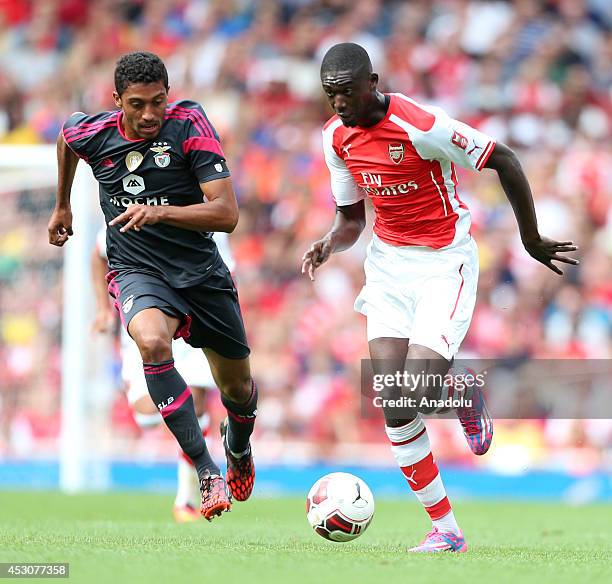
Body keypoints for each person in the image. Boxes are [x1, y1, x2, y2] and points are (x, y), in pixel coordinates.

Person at [302, 43, 578, 552]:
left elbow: (506, 160)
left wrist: (530, 237)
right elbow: (351, 219)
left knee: (414, 389)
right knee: (392, 403)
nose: (338, 104)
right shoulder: (335, 138)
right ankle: (446, 530)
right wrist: (328, 242)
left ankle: (462, 393)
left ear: (374, 82)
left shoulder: (421, 124)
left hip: (442, 264)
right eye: (330, 95)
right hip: (387, 267)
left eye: (346, 92)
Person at [48, 51, 257, 521]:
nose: (149, 115)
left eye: (158, 102)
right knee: (150, 341)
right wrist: (63, 205)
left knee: (238, 390)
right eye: (138, 104)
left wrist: (161, 211)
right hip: (137, 269)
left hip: (201, 273)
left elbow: (227, 214)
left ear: (169, 95)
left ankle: (238, 447)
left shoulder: (191, 125)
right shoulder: (93, 133)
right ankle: (206, 473)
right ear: (116, 99)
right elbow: (66, 138)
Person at [91, 227, 237, 523]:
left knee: (195, 399)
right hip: (145, 315)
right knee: (146, 415)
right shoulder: (137, 205)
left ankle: (187, 498)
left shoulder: (204, 214)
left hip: (193, 314)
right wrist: (103, 310)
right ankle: (197, 427)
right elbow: (98, 255)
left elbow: (227, 272)